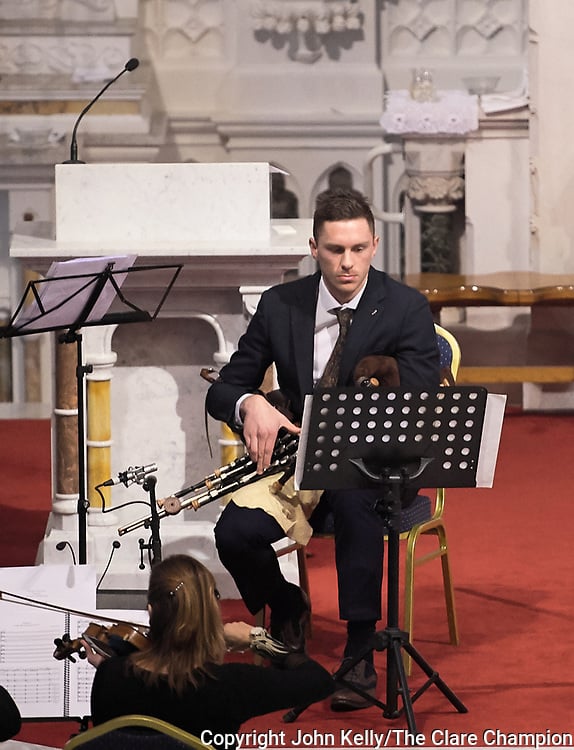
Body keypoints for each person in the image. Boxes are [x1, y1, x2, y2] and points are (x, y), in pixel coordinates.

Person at [206, 188, 440, 711]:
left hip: (374, 458)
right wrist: (250, 403)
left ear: (375, 245)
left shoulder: (404, 307)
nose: (348, 262)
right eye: (335, 249)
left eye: (358, 248)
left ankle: (360, 647)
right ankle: (287, 604)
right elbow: (223, 387)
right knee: (235, 532)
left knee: (358, 503)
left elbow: (422, 400)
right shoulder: (280, 304)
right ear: (314, 247)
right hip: (299, 458)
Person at [84, 554, 333, 747]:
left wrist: (113, 666)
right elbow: (319, 680)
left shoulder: (110, 677)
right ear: (211, 616)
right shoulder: (230, 685)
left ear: (151, 612)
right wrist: (260, 641)